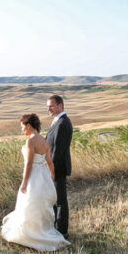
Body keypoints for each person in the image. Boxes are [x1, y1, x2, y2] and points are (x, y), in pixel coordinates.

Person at [0, 113, 71, 252]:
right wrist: (51, 176)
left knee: (29, 203)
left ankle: (30, 235)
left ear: (28, 125)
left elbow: (29, 164)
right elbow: (49, 162)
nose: (22, 130)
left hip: (33, 177)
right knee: (39, 205)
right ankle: (42, 231)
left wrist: (24, 182)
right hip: (43, 176)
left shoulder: (30, 141)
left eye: (22, 126)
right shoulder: (44, 141)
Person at [46, 94, 72, 237]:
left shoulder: (62, 123)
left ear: (60, 105)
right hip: (54, 167)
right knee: (56, 199)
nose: (48, 109)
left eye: (51, 106)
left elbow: (58, 150)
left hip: (58, 168)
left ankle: (62, 231)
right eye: (48, 106)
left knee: (61, 200)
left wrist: (52, 169)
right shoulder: (57, 121)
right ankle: (57, 227)